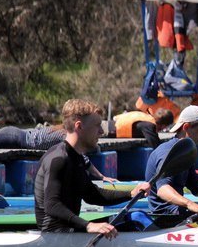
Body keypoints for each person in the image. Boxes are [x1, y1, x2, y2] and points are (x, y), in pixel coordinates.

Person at [34, 99, 150, 236]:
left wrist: (131, 193)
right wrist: (88, 226)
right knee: (136, 221)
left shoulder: (76, 157)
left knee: (136, 217)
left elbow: (93, 195)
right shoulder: (58, 159)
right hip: (55, 234)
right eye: (97, 125)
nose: (101, 131)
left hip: (71, 229)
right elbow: (52, 205)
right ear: (79, 126)